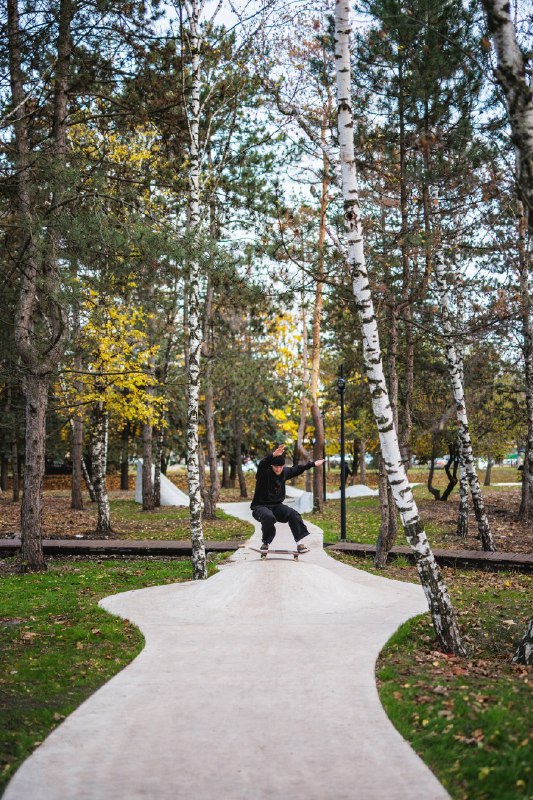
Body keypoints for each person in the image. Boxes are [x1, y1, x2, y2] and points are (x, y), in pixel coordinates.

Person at [250, 444, 325, 552]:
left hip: (276, 506)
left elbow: (298, 469)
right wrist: (273, 455)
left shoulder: (284, 472)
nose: (278, 469)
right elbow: (262, 464)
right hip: (260, 507)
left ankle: (299, 544)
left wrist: (313, 464)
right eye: (276, 467)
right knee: (268, 516)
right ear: (271, 466)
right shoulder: (264, 473)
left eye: (280, 467)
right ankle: (265, 543)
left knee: (293, 514)